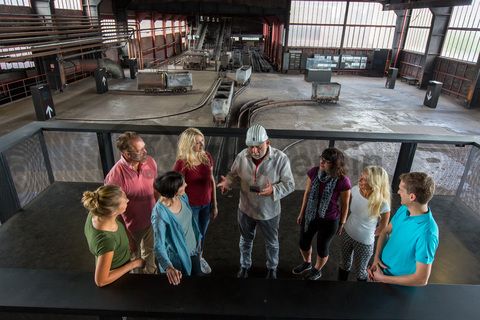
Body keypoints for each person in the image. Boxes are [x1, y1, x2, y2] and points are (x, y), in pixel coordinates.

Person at [217, 124, 295, 280]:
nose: (254, 151)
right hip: (246, 209)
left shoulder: (281, 159)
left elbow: (290, 184)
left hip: (269, 212)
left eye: (258, 146)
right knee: (245, 240)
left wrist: (274, 189)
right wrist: (228, 182)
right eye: (250, 147)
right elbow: (233, 174)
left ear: (268, 142)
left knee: (272, 243)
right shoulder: (242, 156)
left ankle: (272, 268)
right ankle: (245, 266)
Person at [368, 172, 439, 286]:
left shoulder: (427, 234)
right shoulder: (404, 209)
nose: (398, 192)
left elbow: (421, 279)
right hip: (379, 273)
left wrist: (383, 278)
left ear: (412, 197)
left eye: (401, 189)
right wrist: (376, 259)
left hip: (396, 286)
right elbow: (386, 231)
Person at [293, 147, 351, 280]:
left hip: (329, 219)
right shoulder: (314, 172)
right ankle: (307, 263)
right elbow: (307, 194)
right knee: (303, 243)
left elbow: (345, 204)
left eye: (327, 161)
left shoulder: (343, 181)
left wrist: (342, 223)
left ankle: (317, 269)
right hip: (310, 215)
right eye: (322, 159)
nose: (322, 162)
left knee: (322, 247)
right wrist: (301, 213)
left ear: (335, 164)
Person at [104, 131, 157, 274]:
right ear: (127, 154)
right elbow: (112, 214)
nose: (145, 151)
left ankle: (151, 276)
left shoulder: (150, 162)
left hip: (151, 221)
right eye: (140, 150)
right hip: (131, 228)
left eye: (144, 147)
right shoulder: (115, 177)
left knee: (150, 253)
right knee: (134, 259)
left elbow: (154, 189)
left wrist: (159, 214)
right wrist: (128, 238)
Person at [173, 128, 217, 274]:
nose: (201, 145)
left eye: (202, 141)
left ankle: (199, 257)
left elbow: (211, 180)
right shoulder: (182, 162)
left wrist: (214, 204)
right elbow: (174, 187)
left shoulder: (207, 156)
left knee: (202, 233)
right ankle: (191, 261)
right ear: (188, 144)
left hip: (206, 203)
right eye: (197, 143)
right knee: (193, 236)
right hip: (191, 206)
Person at [82, 185, 144, 287]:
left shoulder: (96, 211)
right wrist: (134, 264)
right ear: (113, 211)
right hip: (117, 276)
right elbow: (101, 281)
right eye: (124, 200)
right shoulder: (107, 241)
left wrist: (128, 238)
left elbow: (117, 218)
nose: (127, 200)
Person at [338, 166, 391, 281]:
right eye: (362, 175)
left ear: (374, 183)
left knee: (361, 273)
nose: (360, 179)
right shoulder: (355, 190)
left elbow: (383, 227)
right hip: (347, 233)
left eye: (365, 179)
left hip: (364, 242)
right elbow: (346, 206)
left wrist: (369, 234)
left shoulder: (382, 203)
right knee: (344, 265)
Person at [151, 171, 203, 286]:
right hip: (179, 259)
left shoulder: (183, 196)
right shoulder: (160, 215)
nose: (186, 185)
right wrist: (168, 267)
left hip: (193, 251)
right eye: (183, 184)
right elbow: (158, 246)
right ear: (174, 191)